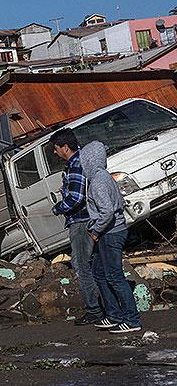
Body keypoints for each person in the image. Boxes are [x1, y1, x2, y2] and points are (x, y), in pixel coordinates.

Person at [80, 141, 142, 333]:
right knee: (99, 272)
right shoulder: (103, 177)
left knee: (114, 276)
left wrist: (96, 230)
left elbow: (107, 211)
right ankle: (114, 314)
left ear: (88, 160)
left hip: (110, 232)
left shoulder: (98, 180)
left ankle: (132, 320)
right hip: (112, 230)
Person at [50, 128, 104, 326]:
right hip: (89, 220)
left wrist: (59, 207)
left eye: (56, 149)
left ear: (65, 147)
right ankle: (102, 305)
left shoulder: (75, 164)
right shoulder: (82, 161)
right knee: (94, 264)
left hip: (81, 222)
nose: (55, 153)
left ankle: (94, 310)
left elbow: (77, 197)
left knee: (82, 265)